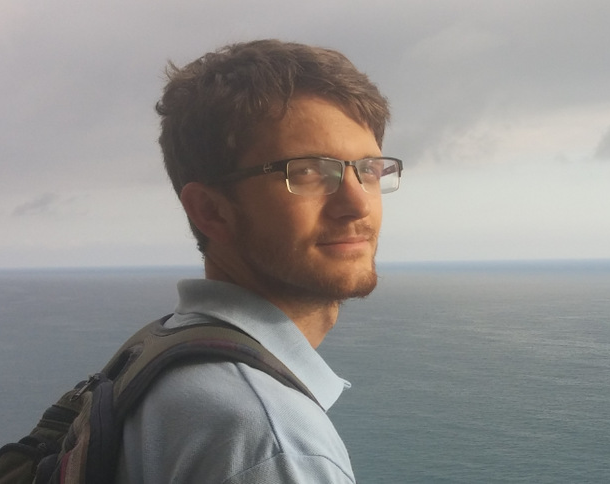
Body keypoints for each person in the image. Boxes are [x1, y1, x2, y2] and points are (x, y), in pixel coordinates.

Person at [116, 39, 403, 484]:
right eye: (308, 171)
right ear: (211, 211)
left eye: (367, 169)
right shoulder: (272, 441)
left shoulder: (157, 356)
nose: (357, 205)